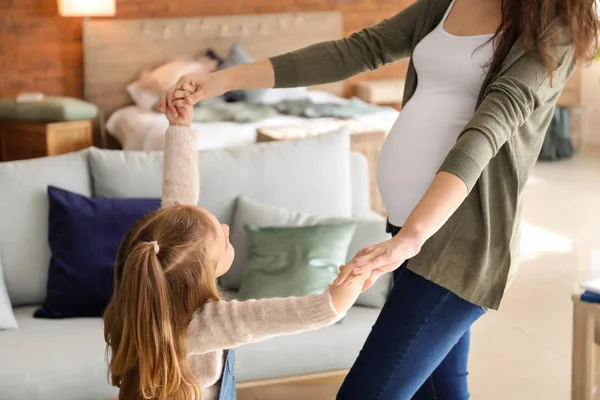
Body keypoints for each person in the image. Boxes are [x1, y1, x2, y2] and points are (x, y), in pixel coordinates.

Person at [158, 0, 599, 398]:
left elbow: (489, 128)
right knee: (442, 390)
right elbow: (356, 50)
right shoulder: (445, 4)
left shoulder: (552, 27)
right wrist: (220, 82)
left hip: (458, 245)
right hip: (407, 231)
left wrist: (413, 236)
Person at [103, 89, 369, 400]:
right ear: (205, 270)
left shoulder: (141, 292)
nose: (227, 227)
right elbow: (295, 313)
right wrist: (352, 284)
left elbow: (180, 198)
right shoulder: (207, 324)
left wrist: (179, 130)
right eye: (222, 235)